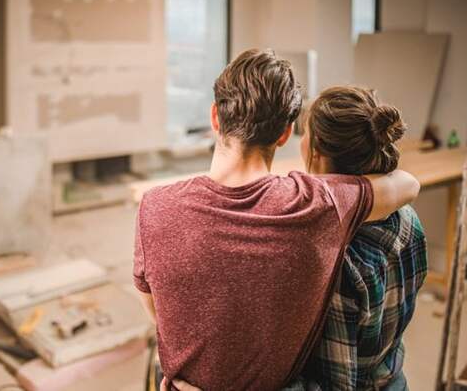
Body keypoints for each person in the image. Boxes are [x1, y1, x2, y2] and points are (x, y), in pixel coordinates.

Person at [133, 49, 420, 390]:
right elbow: (407, 184)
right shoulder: (315, 205)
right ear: (285, 133)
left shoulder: (153, 207)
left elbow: (160, 314)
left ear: (215, 117)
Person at [299, 86, 428, 390]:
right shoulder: (410, 219)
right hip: (393, 380)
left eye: (304, 132)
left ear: (316, 149)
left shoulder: (339, 258)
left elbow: (338, 383)